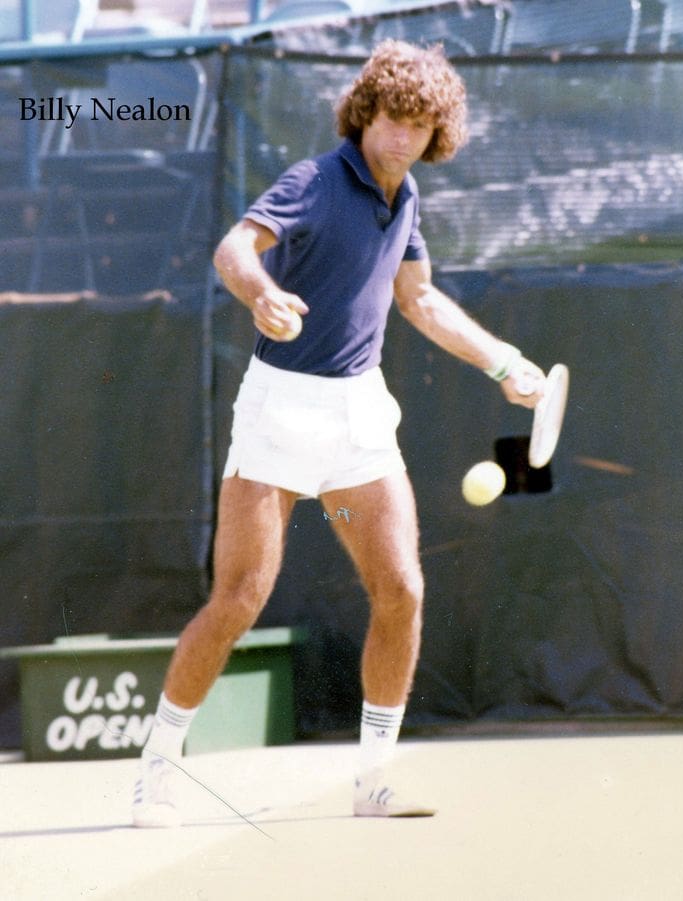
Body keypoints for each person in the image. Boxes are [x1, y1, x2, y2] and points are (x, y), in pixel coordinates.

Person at [132, 38, 544, 828]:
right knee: (240, 595)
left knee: (401, 591)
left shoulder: (405, 197)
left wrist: (502, 362)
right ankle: (158, 767)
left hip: (357, 412)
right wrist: (260, 294)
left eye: (419, 126)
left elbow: (419, 300)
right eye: (391, 118)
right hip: (280, 406)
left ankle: (373, 781)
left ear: (435, 136)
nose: (400, 137)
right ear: (366, 114)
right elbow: (234, 247)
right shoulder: (317, 182)